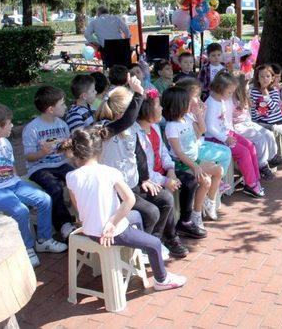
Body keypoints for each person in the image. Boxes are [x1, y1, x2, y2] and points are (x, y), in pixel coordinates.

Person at [63, 127, 186, 291]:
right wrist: (112, 223)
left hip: (89, 230)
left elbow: (77, 205)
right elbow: (130, 200)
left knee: (136, 216)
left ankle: (140, 254)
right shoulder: (110, 172)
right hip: (112, 232)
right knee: (155, 243)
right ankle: (161, 279)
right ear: (100, 150)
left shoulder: (71, 176)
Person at [94, 79, 185, 258]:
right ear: (124, 112)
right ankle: (143, 248)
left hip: (133, 184)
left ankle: (154, 242)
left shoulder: (131, 130)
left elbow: (139, 156)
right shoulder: (104, 130)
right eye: (134, 108)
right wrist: (137, 93)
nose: (137, 113)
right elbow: (125, 122)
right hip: (115, 192)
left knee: (165, 199)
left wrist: (145, 179)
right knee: (151, 212)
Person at [0, 101, 67, 268]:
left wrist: (19, 181)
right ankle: (27, 248)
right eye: (9, 123)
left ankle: (44, 240)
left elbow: (12, 165)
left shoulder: (4, 141)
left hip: (14, 184)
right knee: (21, 211)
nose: (12, 125)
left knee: (44, 199)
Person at [137, 90, 205, 239]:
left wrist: (171, 170)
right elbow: (144, 169)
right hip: (149, 178)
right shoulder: (138, 135)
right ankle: (169, 237)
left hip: (163, 172)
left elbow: (163, 153)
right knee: (165, 197)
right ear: (147, 110)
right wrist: (166, 181)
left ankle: (185, 222)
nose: (162, 108)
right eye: (158, 106)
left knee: (190, 182)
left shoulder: (154, 127)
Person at [163, 85, 227, 225]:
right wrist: (194, 166)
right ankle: (196, 214)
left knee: (219, 170)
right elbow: (179, 153)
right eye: (186, 102)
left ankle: (209, 202)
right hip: (182, 163)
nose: (190, 104)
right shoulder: (171, 126)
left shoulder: (187, 119)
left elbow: (201, 131)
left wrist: (198, 115)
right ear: (178, 105)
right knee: (206, 181)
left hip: (194, 160)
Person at [23, 86, 77, 240]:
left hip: (60, 164)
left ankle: (83, 216)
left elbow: (68, 152)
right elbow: (29, 157)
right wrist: (42, 153)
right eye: (62, 104)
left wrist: (69, 150)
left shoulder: (62, 124)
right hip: (39, 168)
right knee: (55, 188)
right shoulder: (32, 129)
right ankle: (64, 225)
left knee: (79, 178)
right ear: (51, 109)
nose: (65, 106)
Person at [205, 72, 263, 198]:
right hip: (216, 138)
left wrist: (231, 133)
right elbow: (210, 127)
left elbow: (226, 119)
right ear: (220, 89)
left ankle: (255, 178)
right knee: (243, 152)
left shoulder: (222, 99)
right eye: (230, 92)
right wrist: (225, 138)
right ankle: (251, 184)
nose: (231, 95)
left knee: (250, 146)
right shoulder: (210, 103)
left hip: (226, 133)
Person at [231, 72, 282, 180]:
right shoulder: (231, 99)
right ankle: (262, 166)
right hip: (237, 126)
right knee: (260, 139)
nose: (248, 86)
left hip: (247, 123)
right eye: (247, 84)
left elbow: (249, 113)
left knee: (268, 134)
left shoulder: (244, 95)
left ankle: (272, 157)